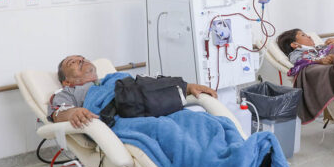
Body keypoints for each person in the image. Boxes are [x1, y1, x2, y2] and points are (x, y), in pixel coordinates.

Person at [48, 55, 216, 127]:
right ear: (66, 81)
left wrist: (187, 87)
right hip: (122, 119)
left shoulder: (115, 78)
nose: (81, 60)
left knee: (202, 122)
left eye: (83, 58)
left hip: (154, 108)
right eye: (73, 63)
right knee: (166, 130)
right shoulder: (68, 92)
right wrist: (73, 113)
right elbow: (57, 113)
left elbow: (148, 86)